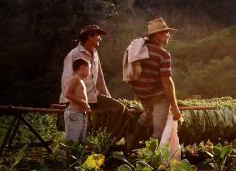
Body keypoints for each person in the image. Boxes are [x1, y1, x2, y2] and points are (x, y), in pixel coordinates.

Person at [59, 24, 126, 136]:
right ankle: (96, 140)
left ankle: (104, 138)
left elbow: (100, 78)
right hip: (78, 101)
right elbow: (66, 82)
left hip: (94, 97)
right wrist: (76, 103)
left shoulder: (95, 53)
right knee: (78, 134)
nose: (100, 38)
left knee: (119, 108)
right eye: (98, 35)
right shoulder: (74, 54)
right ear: (89, 36)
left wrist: (108, 96)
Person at [127, 18, 182, 149]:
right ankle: (154, 160)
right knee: (159, 131)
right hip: (158, 96)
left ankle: (132, 139)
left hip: (143, 96)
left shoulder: (138, 51)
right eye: (166, 32)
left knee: (147, 116)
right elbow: (167, 81)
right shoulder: (163, 55)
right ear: (159, 34)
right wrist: (175, 107)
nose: (169, 35)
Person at [64, 58, 91, 142]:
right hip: (74, 113)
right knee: (72, 142)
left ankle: (77, 155)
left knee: (80, 142)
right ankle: (68, 155)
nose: (90, 72)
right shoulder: (75, 78)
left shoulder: (81, 81)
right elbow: (68, 94)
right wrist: (84, 103)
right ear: (83, 68)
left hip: (81, 114)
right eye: (89, 68)